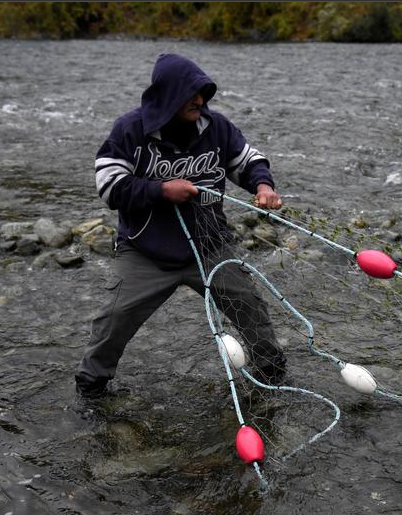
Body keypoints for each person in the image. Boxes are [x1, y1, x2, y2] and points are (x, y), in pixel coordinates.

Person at [75, 53, 286, 398]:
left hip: (210, 245)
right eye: (191, 95)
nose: (200, 101)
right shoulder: (130, 130)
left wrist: (263, 186)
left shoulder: (216, 127)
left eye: (203, 93)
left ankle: (272, 373)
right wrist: (161, 190)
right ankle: (91, 386)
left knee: (248, 304)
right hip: (146, 250)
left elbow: (247, 161)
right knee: (115, 320)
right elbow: (109, 186)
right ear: (168, 96)